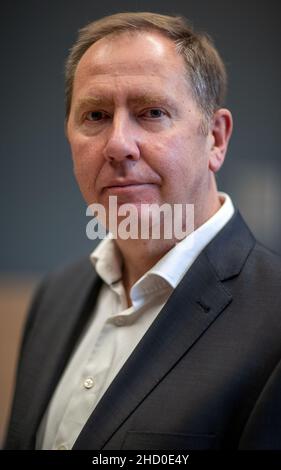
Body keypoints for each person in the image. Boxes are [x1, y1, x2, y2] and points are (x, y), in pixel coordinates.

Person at [4, 12, 281, 450]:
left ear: (216, 138)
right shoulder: (55, 296)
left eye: (152, 112)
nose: (117, 144)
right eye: (95, 114)